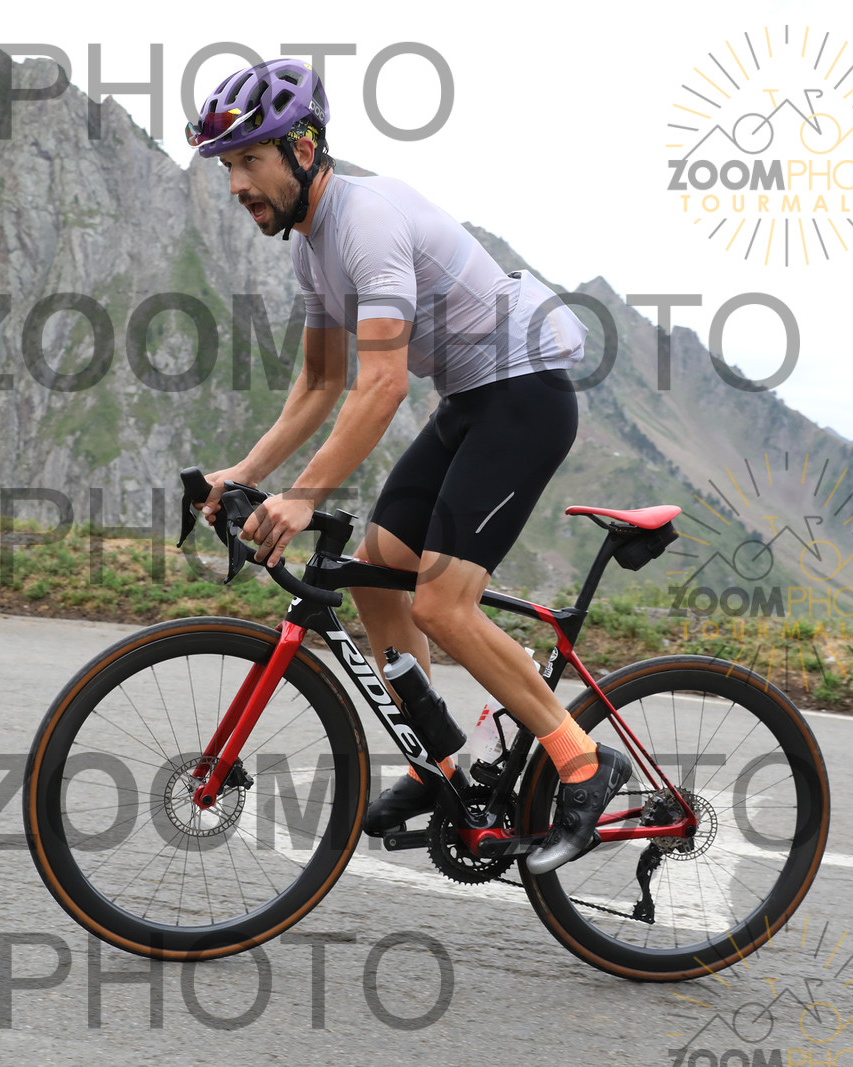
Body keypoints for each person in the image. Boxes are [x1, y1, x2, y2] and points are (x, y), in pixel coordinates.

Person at [187, 58, 627, 872]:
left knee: (440, 603)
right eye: (228, 166)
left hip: (525, 395)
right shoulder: (311, 250)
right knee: (376, 574)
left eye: (250, 159)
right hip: (471, 399)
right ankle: (443, 766)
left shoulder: (366, 222)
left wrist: (303, 494)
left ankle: (582, 761)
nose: (237, 182)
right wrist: (240, 472)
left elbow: (384, 383)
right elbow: (321, 382)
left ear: (304, 150)